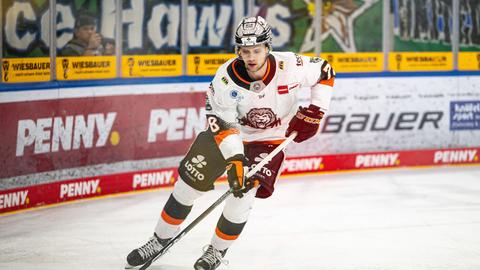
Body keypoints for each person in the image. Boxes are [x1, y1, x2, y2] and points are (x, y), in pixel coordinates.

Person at [125, 15, 335, 270]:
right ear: (238, 51)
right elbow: (222, 124)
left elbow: (324, 70)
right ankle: (159, 240)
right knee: (187, 186)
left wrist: (316, 111)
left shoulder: (290, 65)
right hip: (229, 135)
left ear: (268, 48)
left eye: (257, 50)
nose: (251, 57)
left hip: (269, 140)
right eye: (245, 51)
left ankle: (215, 251)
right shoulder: (225, 78)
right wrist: (235, 158)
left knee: (243, 193)